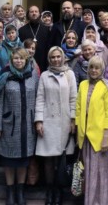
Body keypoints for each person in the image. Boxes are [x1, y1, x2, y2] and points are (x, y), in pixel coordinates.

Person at [0, 48, 39, 205]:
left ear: (26, 60)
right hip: (9, 125)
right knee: (9, 160)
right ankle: (10, 190)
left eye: (21, 58)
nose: (18, 61)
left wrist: (37, 119)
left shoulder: (33, 76)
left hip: (28, 125)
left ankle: (20, 190)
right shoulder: (5, 76)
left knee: (23, 160)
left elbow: (38, 99)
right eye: (15, 59)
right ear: (11, 60)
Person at [35, 47, 77, 205]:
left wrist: (73, 120)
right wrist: (38, 120)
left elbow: (74, 98)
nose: (56, 59)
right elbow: (40, 98)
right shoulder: (45, 75)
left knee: (62, 158)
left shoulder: (70, 74)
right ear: (49, 58)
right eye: (52, 57)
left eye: (58, 56)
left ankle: (59, 191)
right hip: (48, 121)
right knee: (48, 159)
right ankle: (50, 190)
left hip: (65, 122)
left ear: (63, 57)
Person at [76, 56, 108, 205]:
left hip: (100, 137)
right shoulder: (83, 85)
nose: (93, 70)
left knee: (100, 173)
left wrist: (106, 136)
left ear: (102, 69)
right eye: (91, 67)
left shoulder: (106, 86)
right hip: (85, 136)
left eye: (97, 68)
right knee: (89, 172)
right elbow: (78, 107)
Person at [19, 5, 50, 72]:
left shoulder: (46, 30)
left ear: (39, 14)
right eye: (31, 12)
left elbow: (48, 47)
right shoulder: (22, 30)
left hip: (43, 62)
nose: (34, 13)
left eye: (36, 11)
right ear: (28, 14)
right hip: (26, 63)